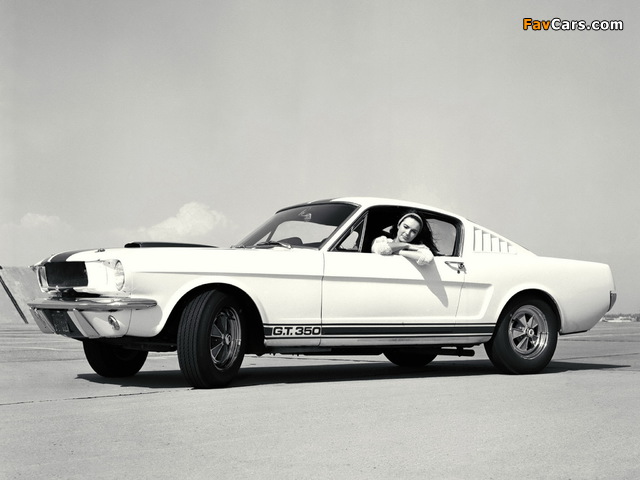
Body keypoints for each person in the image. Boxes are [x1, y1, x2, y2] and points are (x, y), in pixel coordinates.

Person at [371, 212, 437, 265]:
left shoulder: (417, 248)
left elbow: (427, 257)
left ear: (416, 235)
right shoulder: (383, 240)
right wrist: (407, 245)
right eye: (405, 227)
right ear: (398, 225)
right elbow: (380, 249)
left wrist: (399, 252)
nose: (407, 233)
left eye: (413, 231)